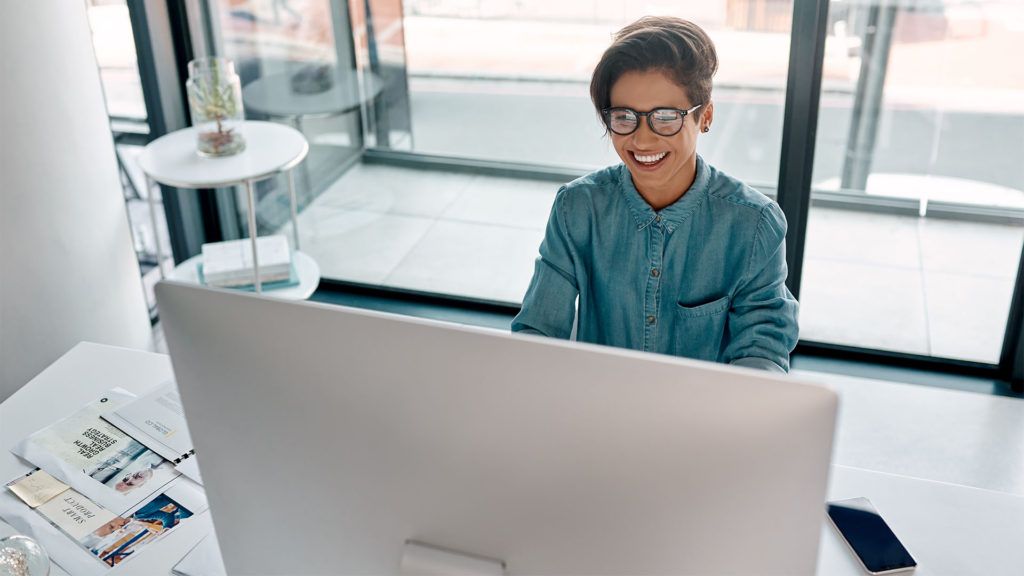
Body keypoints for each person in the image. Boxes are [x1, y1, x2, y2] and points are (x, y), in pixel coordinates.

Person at [511, 16, 799, 372]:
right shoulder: (578, 208)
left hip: (702, 420)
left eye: (665, 117)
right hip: (597, 411)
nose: (642, 139)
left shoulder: (754, 224)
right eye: (624, 116)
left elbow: (763, 351)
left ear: (705, 116)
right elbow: (538, 328)